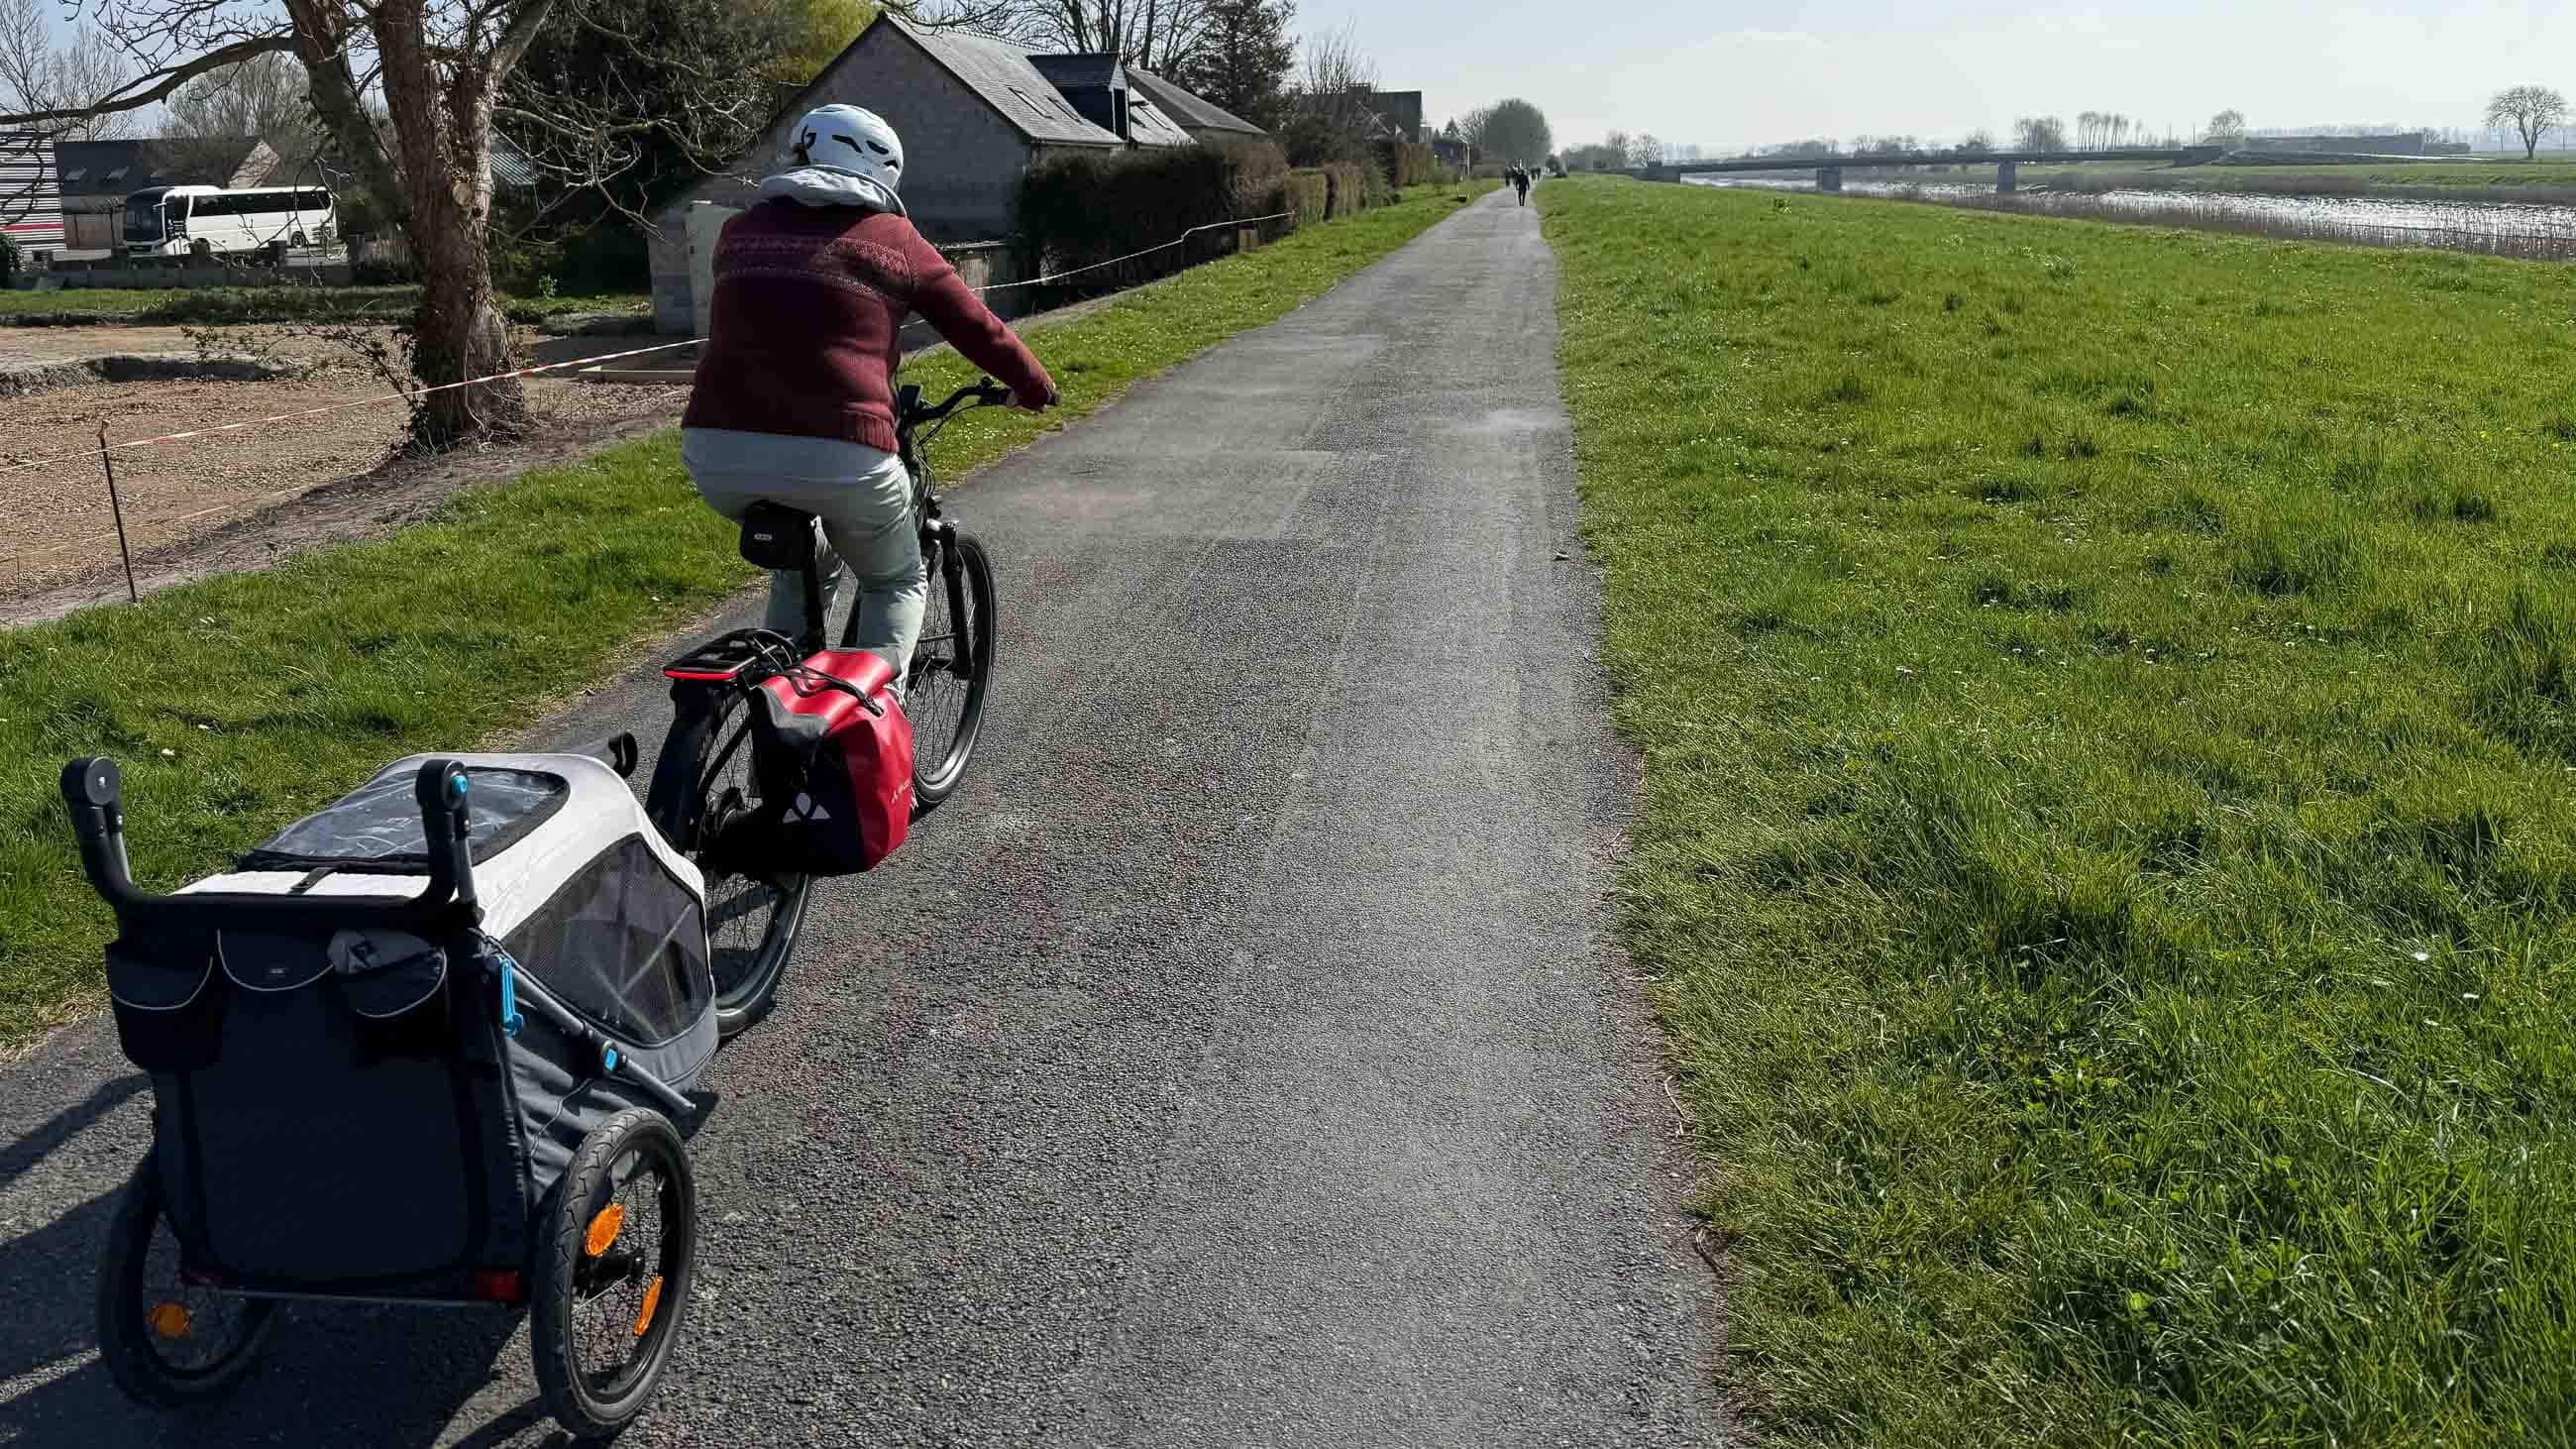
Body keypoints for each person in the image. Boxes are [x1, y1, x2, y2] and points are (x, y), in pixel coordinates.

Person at [681, 104, 1057, 694]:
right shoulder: (894, 240)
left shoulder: (738, 230)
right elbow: (979, 328)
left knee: (807, 563)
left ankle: (776, 722)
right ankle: (872, 731)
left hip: (715, 451)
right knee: (896, 580)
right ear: (885, 175)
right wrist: (1034, 385)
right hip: (842, 453)